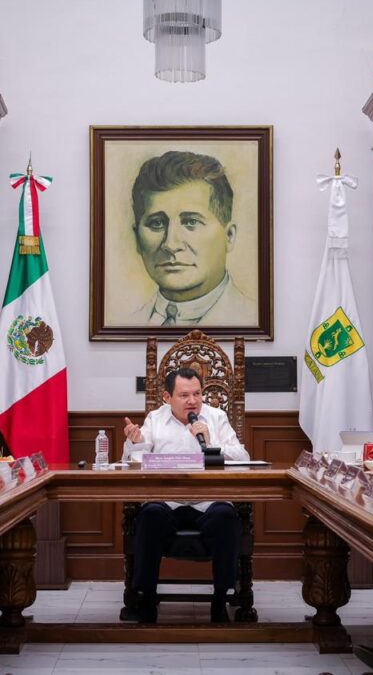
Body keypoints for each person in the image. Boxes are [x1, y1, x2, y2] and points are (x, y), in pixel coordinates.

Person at [122, 367, 250, 623]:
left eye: (197, 394)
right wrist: (135, 442)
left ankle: (220, 600)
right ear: (167, 397)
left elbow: (243, 458)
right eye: (184, 395)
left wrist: (211, 442)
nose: (193, 401)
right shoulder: (155, 419)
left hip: (208, 501)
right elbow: (135, 461)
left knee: (227, 517)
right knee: (149, 515)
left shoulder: (216, 417)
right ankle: (146, 599)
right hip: (167, 502)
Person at [129, 151, 255, 326]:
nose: (170, 244)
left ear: (229, 236)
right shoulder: (125, 325)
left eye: (191, 222)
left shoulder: (251, 320)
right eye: (157, 223)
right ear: (137, 238)